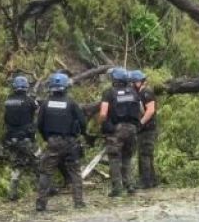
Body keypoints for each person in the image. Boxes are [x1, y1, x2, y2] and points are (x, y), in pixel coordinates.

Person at [35, 72, 87, 212]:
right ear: (66, 87)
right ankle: (79, 202)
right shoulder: (71, 103)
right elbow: (82, 122)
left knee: (46, 172)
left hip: (52, 142)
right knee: (75, 172)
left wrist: (47, 138)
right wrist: (80, 134)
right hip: (70, 142)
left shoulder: (46, 104)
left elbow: (39, 124)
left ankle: (41, 204)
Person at [97, 67, 141, 196]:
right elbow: (141, 111)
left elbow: (103, 113)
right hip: (132, 129)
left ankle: (117, 188)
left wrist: (100, 123)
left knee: (114, 159)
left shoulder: (109, 93)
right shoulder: (134, 92)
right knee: (127, 157)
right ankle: (130, 185)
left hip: (116, 130)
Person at [1, 75, 38, 202]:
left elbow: (6, 118)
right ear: (26, 87)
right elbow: (36, 112)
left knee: (16, 165)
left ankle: (13, 193)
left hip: (11, 138)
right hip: (26, 139)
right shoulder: (30, 101)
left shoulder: (8, 100)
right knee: (38, 161)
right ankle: (46, 189)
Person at [132, 69, 159, 189]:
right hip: (144, 128)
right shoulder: (139, 93)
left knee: (145, 154)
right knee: (146, 154)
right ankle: (152, 180)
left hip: (148, 129)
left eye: (133, 82)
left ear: (139, 82)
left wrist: (141, 123)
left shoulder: (146, 92)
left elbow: (150, 110)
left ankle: (146, 181)